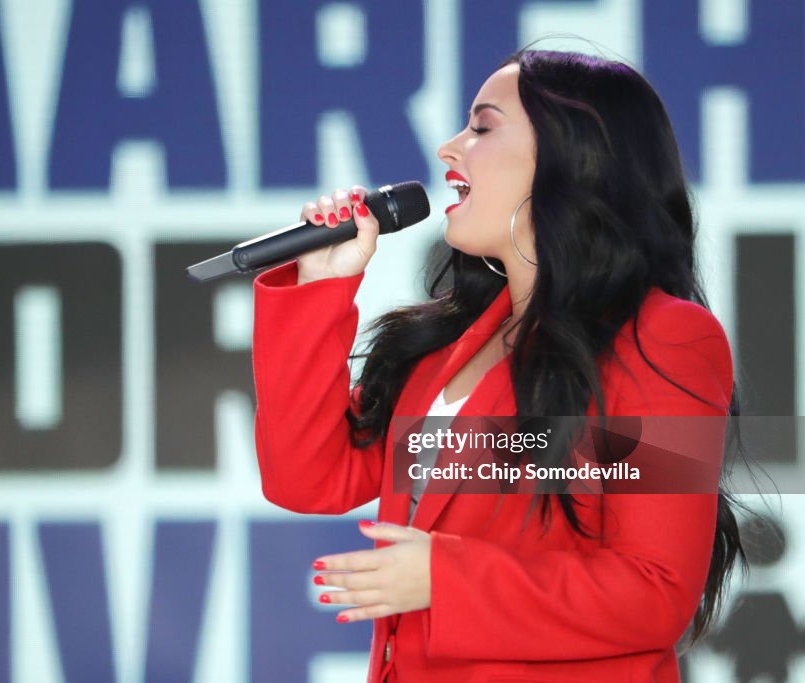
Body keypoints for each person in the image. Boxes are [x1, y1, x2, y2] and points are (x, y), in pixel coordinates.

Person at [251, 48, 744, 682]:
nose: (449, 148)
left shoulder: (666, 337)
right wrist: (322, 286)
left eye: (482, 127)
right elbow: (306, 478)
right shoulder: (440, 352)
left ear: (572, 157)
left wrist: (444, 577)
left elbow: (657, 591)